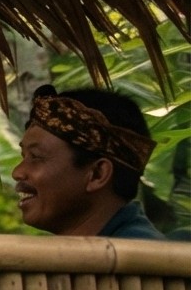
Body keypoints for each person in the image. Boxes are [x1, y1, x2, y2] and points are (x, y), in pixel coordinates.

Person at [13, 85, 174, 241]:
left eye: (36, 156)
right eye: (23, 156)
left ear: (98, 174)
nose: (17, 172)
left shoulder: (142, 255)